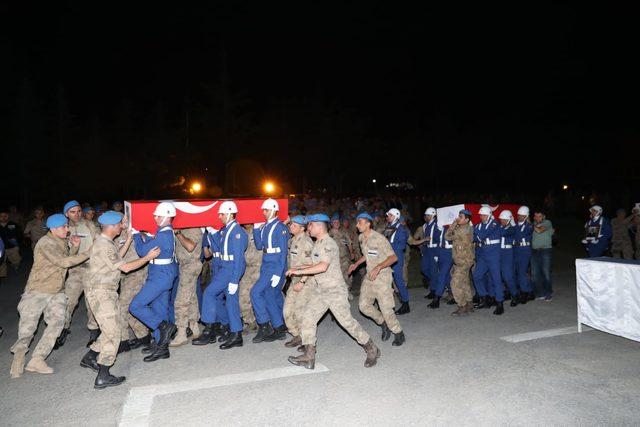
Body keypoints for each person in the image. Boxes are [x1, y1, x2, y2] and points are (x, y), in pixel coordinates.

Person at [286, 214, 380, 370]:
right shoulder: (317, 244)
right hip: (320, 290)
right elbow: (313, 264)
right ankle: (309, 357)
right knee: (308, 318)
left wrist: (297, 272)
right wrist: (297, 269)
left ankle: (371, 348)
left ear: (319, 226)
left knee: (347, 323)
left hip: (334, 291)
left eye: (310, 225)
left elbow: (323, 266)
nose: (308, 228)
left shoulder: (329, 244)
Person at [80, 211, 160, 388]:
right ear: (111, 227)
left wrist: (129, 240)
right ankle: (103, 375)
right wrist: (148, 257)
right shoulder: (105, 245)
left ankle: (90, 357)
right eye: (119, 224)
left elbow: (117, 257)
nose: (122, 227)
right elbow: (125, 267)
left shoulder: (104, 242)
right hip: (102, 293)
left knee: (110, 328)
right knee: (113, 332)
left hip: (103, 291)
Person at [10, 214, 89, 378]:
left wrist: (74, 247)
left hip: (56, 292)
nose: (67, 229)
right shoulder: (45, 243)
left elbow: (65, 259)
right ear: (53, 229)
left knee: (57, 324)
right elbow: (63, 262)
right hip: (37, 291)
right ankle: (18, 357)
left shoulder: (60, 241)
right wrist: (88, 252)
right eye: (64, 227)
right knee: (27, 329)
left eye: (67, 226)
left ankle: (37, 359)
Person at [193, 201, 247, 349]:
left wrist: (235, 279)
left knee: (209, 293)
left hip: (230, 269)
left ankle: (210, 329)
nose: (219, 216)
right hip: (225, 267)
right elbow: (218, 249)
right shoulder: (225, 230)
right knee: (230, 301)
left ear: (230, 213)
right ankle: (236, 333)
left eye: (221, 214)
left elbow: (238, 259)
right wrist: (211, 231)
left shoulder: (237, 232)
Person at [129, 202, 179, 362]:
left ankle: (165, 327)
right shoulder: (164, 232)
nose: (155, 217)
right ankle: (161, 346)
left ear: (166, 216)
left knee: (136, 306)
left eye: (157, 215)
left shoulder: (164, 235)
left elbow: (142, 251)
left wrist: (136, 234)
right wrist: (148, 237)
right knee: (160, 310)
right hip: (162, 273)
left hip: (160, 276)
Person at [350, 212, 405, 346]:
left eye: (360, 222)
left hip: (382, 277)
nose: (357, 225)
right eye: (357, 222)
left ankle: (398, 332)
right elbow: (367, 255)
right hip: (370, 276)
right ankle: (382, 322)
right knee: (363, 306)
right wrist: (357, 264)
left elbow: (393, 258)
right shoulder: (361, 237)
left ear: (368, 223)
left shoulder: (379, 238)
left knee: (386, 308)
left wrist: (379, 266)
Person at [57, 200, 100, 349]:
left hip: (91, 268)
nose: (77, 214)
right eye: (72, 212)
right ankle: (62, 329)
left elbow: (99, 242)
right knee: (68, 300)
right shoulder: (61, 228)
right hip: (74, 270)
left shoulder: (89, 225)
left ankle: (94, 330)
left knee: (91, 301)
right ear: (66, 213)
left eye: (79, 211)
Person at [251, 199, 289, 343]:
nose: (263, 213)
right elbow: (259, 246)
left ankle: (264, 325)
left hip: (275, 266)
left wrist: (278, 273)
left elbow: (283, 252)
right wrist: (255, 229)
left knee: (255, 292)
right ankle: (279, 327)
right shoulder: (265, 227)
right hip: (266, 264)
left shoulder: (280, 228)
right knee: (270, 295)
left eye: (266, 210)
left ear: (273, 210)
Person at [115, 225, 151, 353]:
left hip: (137, 272)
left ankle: (123, 341)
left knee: (122, 306)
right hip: (124, 276)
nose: (122, 224)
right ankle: (143, 336)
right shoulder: (114, 236)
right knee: (129, 306)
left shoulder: (137, 233)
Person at [283, 215, 314, 349]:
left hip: (306, 280)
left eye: (294, 225)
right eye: (291, 224)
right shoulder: (293, 240)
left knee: (300, 311)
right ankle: (298, 335)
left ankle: (307, 342)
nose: (291, 226)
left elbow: (311, 265)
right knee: (287, 311)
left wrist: (302, 281)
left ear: (302, 228)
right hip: (295, 279)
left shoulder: (306, 242)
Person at [170, 228, 203, 346]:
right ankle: (194, 326)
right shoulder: (183, 228)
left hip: (191, 265)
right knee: (191, 297)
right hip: (184, 266)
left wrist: (178, 233)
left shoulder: (194, 229)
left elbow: (190, 247)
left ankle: (181, 333)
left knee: (181, 300)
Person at [472, 206, 505, 315]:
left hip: (494, 254)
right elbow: (475, 238)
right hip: (483, 254)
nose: (482, 217)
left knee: (496, 279)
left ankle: (500, 303)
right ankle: (484, 298)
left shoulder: (494, 223)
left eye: (484, 215)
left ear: (490, 215)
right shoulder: (479, 225)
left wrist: (473, 228)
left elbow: (483, 234)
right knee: (476, 276)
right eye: (481, 215)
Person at [445, 209, 476, 315]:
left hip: (463, 261)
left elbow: (447, 236)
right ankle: (469, 303)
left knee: (454, 283)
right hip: (463, 260)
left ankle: (462, 305)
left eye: (461, 216)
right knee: (464, 282)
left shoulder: (463, 230)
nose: (458, 218)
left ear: (467, 219)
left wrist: (453, 224)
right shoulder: (465, 228)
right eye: (458, 216)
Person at [384, 208, 411, 315]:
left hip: (396, 257)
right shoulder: (389, 227)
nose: (387, 217)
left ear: (395, 216)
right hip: (388, 256)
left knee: (398, 280)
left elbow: (402, 245)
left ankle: (406, 303)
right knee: (387, 279)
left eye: (389, 215)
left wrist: (389, 247)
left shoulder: (401, 229)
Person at [410, 208, 440, 299]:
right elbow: (415, 238)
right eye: (425, 215)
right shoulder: (424, 226)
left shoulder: (438, 225)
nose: (425, 217)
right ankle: (435, 284)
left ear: (433, 215)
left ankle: (434, 291)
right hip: (426, 250)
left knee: (433, 271)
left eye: (428, 215)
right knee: (424, 269)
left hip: (434, 249)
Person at [239, 224, 262, 333]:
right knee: (242, 296)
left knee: (259, 296)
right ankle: (250, 321)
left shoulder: (260, 228)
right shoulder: (240, 231)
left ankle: (264, 322)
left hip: (260, 268)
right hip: (246, 269)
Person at [329, 214, 354, 300]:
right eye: (335, 222)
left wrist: (351, 253)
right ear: (332, 224)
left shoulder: (344, 233)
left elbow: (349, 243)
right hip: (334, 260)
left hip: (344, 259)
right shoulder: (329, 234)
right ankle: (341, 294)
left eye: (338, 222)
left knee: (348, 276)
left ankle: (347, 290)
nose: (337, 223)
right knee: (337, 278)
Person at [498, 210, 519, 307]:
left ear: (509, 220)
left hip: (507, 253)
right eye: (501, 219)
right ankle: (507, 292)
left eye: (504, 219)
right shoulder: (500, 227)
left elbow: (502, 232)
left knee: (507, 276)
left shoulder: (511, 229)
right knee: (500, 276)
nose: (502, 221)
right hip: (499, 253)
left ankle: (515, 295)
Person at [531, 209, 554, 301]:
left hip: (545, 251)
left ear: (543, 217)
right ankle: (540, 293)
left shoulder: (547, 222)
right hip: (534, 251)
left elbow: (539, 230)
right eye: (535, 216)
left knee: (546, 273)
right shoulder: (533, 224)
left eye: (539, 216)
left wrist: (531, 224)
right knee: (535, 274)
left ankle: (548, 293)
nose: (537, 218)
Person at [513, 206, 534, 303]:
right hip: (516, 249)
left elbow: (521, 234)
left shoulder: (529, 226)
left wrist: (527, 222)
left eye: (522, 216)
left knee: (522, 272)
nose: (519, 217)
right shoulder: (516, 225)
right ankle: (529, 291)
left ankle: (524, 292)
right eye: (519, 215)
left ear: (526, 216)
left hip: (525, 250)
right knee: (519, 272)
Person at [0, 207, 22, 277]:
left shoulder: (13, 224)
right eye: (1, 216)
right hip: (1, 248)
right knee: (1, 262)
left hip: (12, 247)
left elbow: (20, 235)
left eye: (5, 216)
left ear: (8, 216)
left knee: (16, 261)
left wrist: (17, 242)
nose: (3, 217)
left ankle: (15, 264)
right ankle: (3, 276)